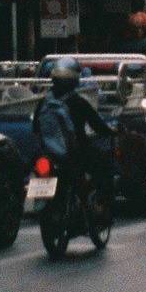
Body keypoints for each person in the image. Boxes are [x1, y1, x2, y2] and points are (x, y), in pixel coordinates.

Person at [34, 55, 113, 201]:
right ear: (75, 80)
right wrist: (111, 132)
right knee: (103, 163)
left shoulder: (43, 102)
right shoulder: (77, 102)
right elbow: (98, 125)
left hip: (48, 153)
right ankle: (100, 202)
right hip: (75, 153)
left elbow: (35, 129)